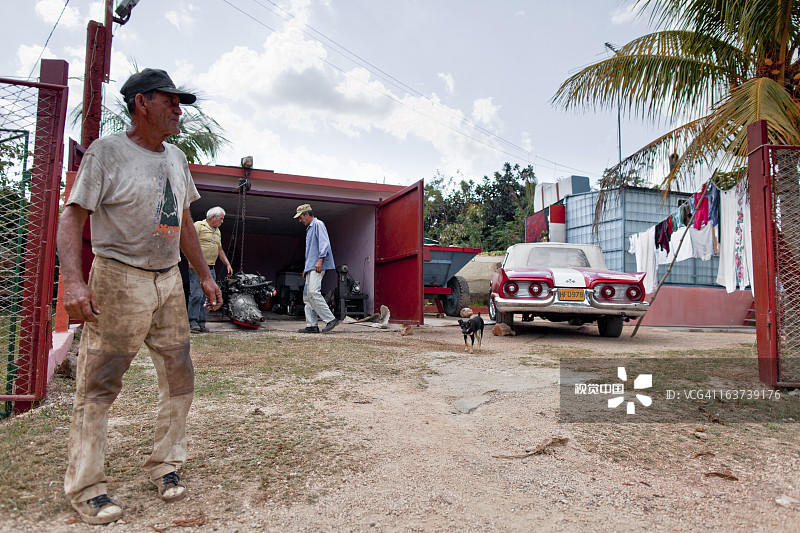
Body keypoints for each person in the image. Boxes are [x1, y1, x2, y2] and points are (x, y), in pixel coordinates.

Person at [57, 68, 222, 525]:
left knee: (179, 375)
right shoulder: (107, 153)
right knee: (99, 383)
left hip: (168, 281)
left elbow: (185, 221)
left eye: (179, 102)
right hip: (118, 278)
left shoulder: (177, 158)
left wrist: (204, 276)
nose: (178, 109)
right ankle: (87, 487)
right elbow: (71, 218)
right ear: (141, 103)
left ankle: (166, 465)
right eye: (169, 100)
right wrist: (74, 282)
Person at [294, 203, 339, 333]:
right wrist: (306, 268)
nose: (299, 220)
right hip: (311, 266)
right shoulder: (309, 228)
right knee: (307, 297)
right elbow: (310, 252)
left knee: (313, 292)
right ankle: (312, 325)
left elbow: (324, 244)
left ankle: (330, 319)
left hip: (317, 265)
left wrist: (320, 260)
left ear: (306, 214)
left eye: (300, 217)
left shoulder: (318, 224)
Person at [188, 206, 233, 333]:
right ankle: (192, 323)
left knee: (209, 296)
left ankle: (202, 323)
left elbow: (219, 249)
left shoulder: (217, 231)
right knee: (196, 295)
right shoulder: (199, 226)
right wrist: (190, 262)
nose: (222, 222)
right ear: (213, 217)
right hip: (197, 268)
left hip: (211, 268)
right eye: (221, 219)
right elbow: (189, 243)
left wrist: (227, 264)